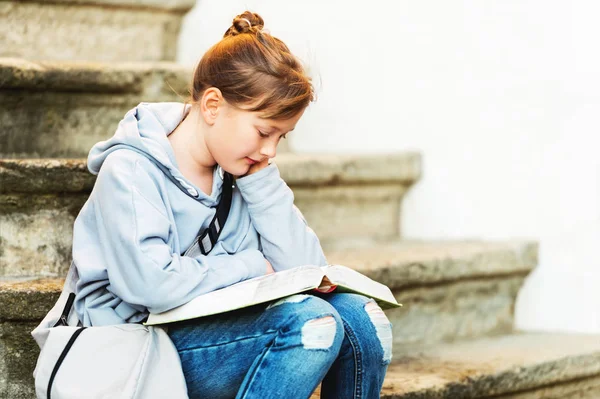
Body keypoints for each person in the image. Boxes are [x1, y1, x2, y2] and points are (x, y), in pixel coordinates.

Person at [71, 11, 393, 399]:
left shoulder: (241, 173)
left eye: (282, 138)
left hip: (212, 328)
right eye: (263, 131)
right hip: (133, 347)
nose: (270, 150)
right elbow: (151, 284)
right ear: (212, 106)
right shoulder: (131, 169)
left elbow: (306, 269)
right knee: (311, 324)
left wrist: (260, 180)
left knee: (361, 317)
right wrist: (253, 267)